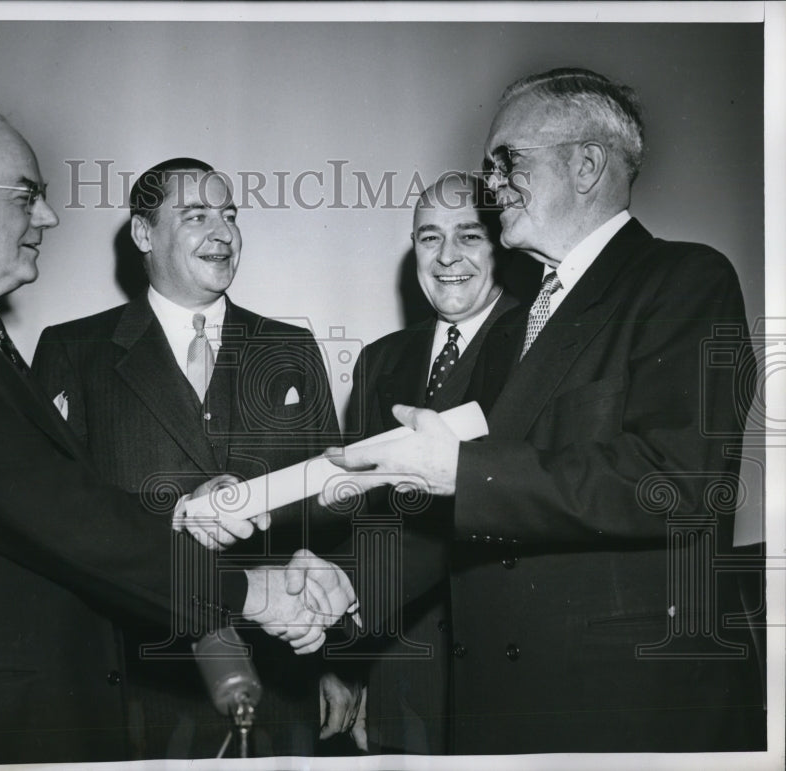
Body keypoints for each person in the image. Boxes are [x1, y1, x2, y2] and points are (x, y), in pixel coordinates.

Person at [0, 109, 355, 768]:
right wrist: (253, 592)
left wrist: (193, 521)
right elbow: (62, 513)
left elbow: (53, 501)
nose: (47, 217)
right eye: (26, 196)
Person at [322, 68, 765, 753]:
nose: (492, 182)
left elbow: (678, 479)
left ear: (586, 165)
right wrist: (346, 586)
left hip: (622, 708)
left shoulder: (685, 280)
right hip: (494, 708)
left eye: (508, 160)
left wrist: (463, 470)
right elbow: (470, 521)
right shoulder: (517, 325)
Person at [32, 158, 345, 757]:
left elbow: (329, 514)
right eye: (196, 215)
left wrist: (338, 663)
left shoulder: (293, 348)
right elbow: (56, 518)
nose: (223, 233)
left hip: (281, 679)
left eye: (229, 215)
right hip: (140, 684)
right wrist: (180, 512)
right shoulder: (74, 350)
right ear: (143, 233)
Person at [337, 172, 520, 754]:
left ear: (500, 243)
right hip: (400, 665)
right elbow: (360, 521)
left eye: (468, 235)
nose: (446, 257)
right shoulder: (378, 361)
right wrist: (349, 667)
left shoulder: (539, 342)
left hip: (505, 661)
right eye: (429, 237)